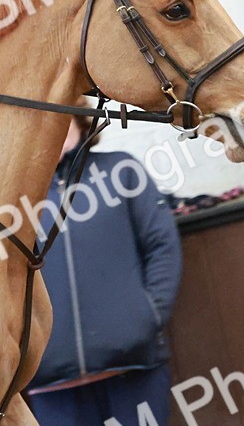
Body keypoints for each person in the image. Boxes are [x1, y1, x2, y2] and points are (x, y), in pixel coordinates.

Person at [27, 115, 183, 426]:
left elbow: (161, 247)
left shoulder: (121, 170)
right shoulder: (15, 197)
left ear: (79, 119)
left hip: (134, 371)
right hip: (51, 388)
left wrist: (147, 317)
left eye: (58, 118)